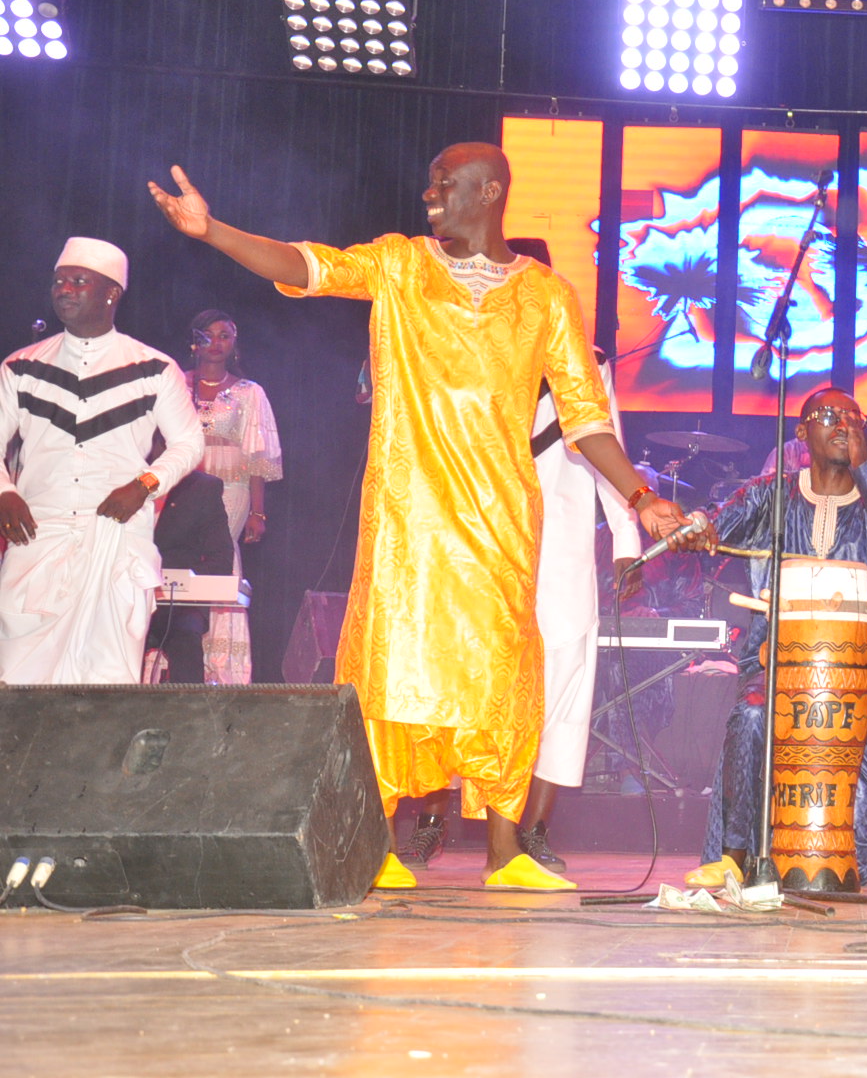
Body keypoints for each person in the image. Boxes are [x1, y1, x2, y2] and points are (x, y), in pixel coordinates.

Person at [148, 148, 692, 893]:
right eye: (431, 180)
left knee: (503, 667)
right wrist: (213, 232)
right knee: (393, 666)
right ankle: (378, 843)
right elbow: (310, 267)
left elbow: (586, 418)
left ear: (491, 191)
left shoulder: (545, 297)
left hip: (501, 516)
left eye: (445, 183)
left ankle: (506, 855)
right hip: (410, 516)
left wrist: (639, 496)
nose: (429, 192)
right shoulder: (401, 266)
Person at [696, 388, 867, 886]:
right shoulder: (772, 494)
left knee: (848, 869)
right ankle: (734, 857)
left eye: (853, 417)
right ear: (802, 433)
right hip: (778, 664)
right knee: (755, 715)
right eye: (828, 416)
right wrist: (690, 525)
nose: (842, 424)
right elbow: (714, 532)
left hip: (860, 681)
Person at [0, 239, 204, 685]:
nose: (64, 290)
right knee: (20, 678)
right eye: (58, 281)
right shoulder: (23, 367)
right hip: (40, 532)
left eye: (78, 281)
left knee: (107, 679)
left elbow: (190, 443)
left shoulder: (153, 367)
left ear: (112, 293)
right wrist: (5, 491)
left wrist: (146, 483)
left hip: (116, 534)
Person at [514, 238, 641, 873]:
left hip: (560, 540)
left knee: (564, 676)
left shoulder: (583, 363)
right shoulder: (465, 350)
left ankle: (534, 827)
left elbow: (604, 443)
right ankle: (433, 817)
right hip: (482, 542)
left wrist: (626, 542)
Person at [183, 308, 281, 684]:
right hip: (181, 486)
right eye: (208, 334)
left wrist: (260, 512)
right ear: (195, 340)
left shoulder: (248, 392)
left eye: (225, 335)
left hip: (230, 489)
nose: (216, 342)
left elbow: (257, 455)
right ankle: (178, 656)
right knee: (178, 561)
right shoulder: (176, 382)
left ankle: (222, 667)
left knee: (219, 560)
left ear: (235, 342)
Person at [143, 470, 232, 685]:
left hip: (178, 605)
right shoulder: (121, 476)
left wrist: (180, 580)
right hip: (125, 597)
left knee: (186, 640)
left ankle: (190, 713)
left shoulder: (201, 487)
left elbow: (221, 559)